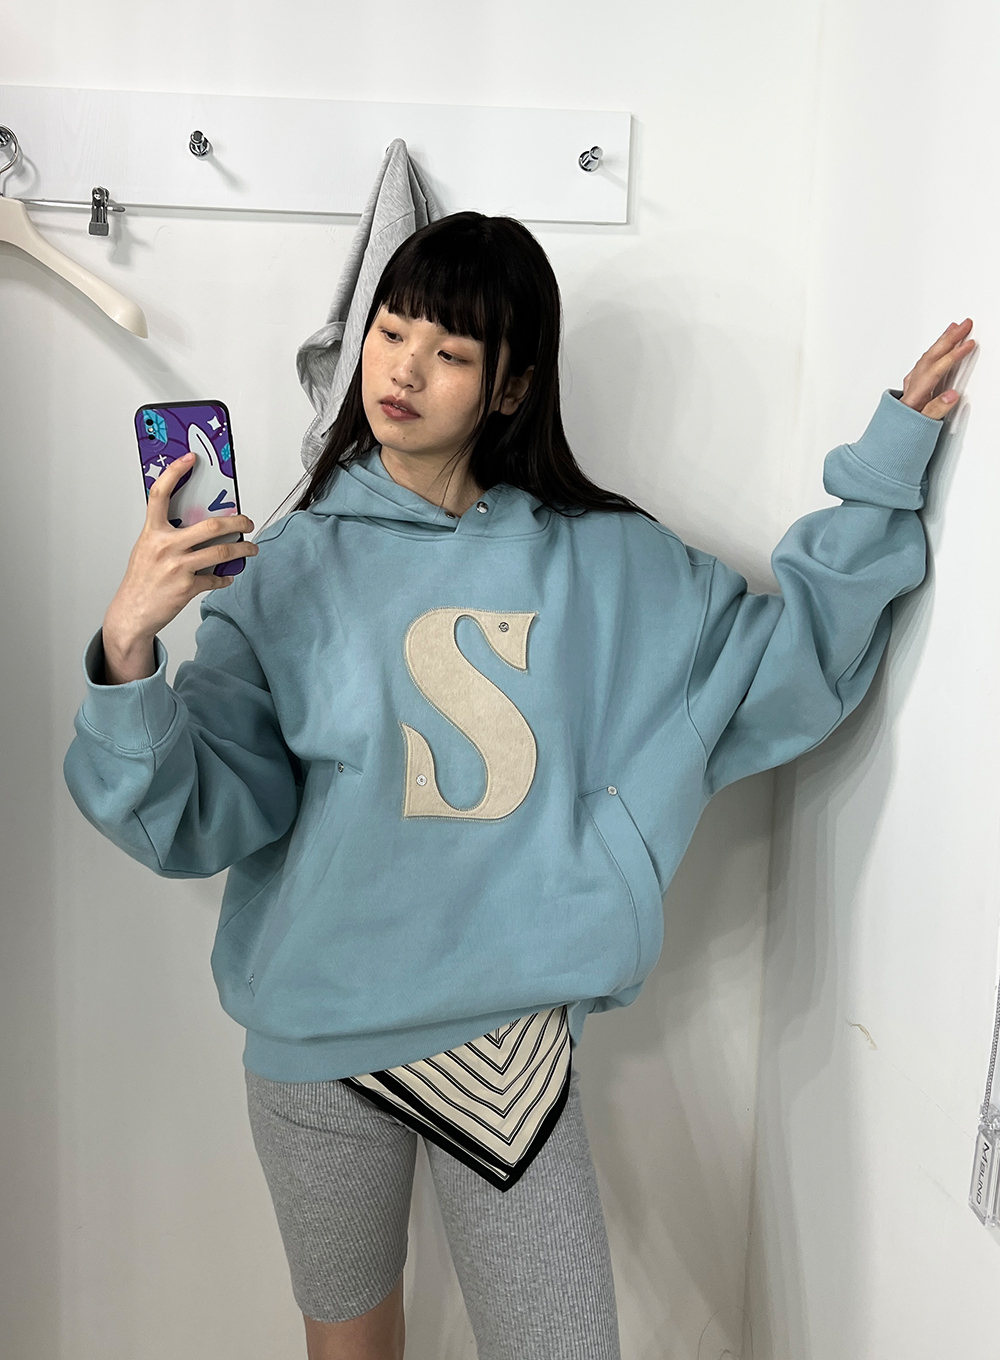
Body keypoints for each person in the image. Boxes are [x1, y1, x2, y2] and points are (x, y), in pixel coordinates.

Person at [63, 211, 975, 1360]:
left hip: (505, 1040)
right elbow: (199, 816)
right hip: (314, 1035)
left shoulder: (608, 564)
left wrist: (886, 468)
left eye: (448, 350)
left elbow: (784, 662)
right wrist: (129, 645)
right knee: (350, 1349)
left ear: (510, 386)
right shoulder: (283, 567)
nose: (403, 369)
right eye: (390, 331)